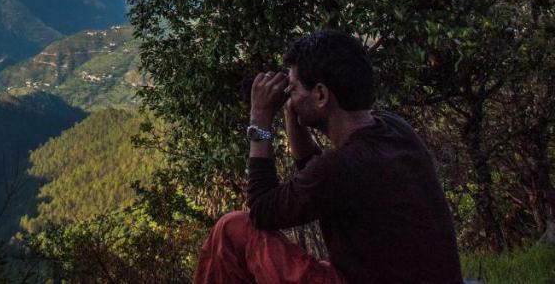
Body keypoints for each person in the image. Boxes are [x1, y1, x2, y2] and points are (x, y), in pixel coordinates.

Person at [194, 30, 463, 283]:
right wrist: (293, 115)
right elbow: (317, 175)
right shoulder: (395, 130)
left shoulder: (341, 166)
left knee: (233, 228)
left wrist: (259, 122)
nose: (292, 97)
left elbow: (262, 211)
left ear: (321, 94)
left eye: (294, 88)